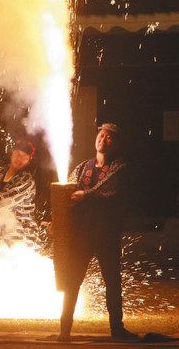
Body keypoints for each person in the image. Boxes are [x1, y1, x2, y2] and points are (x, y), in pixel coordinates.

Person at [58, 123, 138, 342]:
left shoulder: (120, 167)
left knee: (112, 282)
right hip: (82, 234)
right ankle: (64, 330)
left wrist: (84, 195)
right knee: (72, 282)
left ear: (117, 143)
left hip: (106, 234)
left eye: (110, 137)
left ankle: (117, 329)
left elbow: (108, 190)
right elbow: (67, 192)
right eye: (101, 135)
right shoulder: (84, 166)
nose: (104, 139)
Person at [0, 140, 38, 246]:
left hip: (21, 234)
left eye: (24, 156)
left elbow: (3, 203)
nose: (19, 158)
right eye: (17, 153)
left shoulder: (27, 180)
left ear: (29, 160)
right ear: (12, 153)